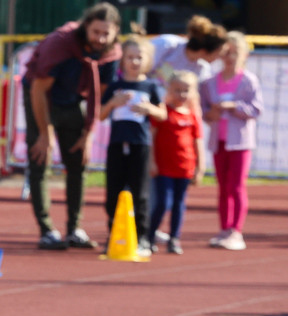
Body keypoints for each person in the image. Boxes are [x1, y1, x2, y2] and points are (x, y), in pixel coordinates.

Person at [22, 2, 122, 250]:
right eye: (96, 31)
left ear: (115, 32)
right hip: (42, 97)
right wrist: (45, 133)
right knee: (40, 158)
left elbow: (97, 96)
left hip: (75, 100)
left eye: (106, 33)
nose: (100, 38)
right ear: (86, 26)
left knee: (79, 161)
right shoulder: (62, 44)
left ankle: (74, 228)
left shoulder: (112, 54)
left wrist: (88, 134)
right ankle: (46, 230)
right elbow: (38, 88)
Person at [99, 36, 165, 255]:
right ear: (122, 60)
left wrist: (149, 109)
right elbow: (100, 115)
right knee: (114, 191)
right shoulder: (116, 87)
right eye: (130, 57)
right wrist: (112, 103)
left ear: (147, 60)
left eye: (139, 57)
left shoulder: (150, 86)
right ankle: (114, 234)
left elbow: (162, 113)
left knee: (140, 192)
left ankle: (143, 237)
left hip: (140, 144)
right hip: (117, 144)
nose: (134, 62)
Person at [199, 31, 263, 251]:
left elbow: (256, 108)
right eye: (226, 53)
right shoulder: (209, 83)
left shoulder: (248, 80)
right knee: (223, 187)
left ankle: (236, 230)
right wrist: (210, 114)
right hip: (219, 141)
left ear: (244, 55)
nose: (230, 58)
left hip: (241, 142)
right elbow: (203, 108)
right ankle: (224, 228)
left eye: (235, 53)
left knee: (236, 186)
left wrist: (234, 107)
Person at [147, 71, 204, 255]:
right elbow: (152, 138)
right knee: (163, 203)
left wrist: (200, 167)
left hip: (185, 167)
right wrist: (152, 162)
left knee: (179, 204)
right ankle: (149, 236)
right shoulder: (163, 112)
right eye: (177, 90)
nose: (181, 95)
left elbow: (198, 142)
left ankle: (174, 238)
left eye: (186, 90)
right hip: (164, 167)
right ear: (169, 90)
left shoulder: (192, 116)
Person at [150, 15, 227, 93]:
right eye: (219, 52)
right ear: (204, 51)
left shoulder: (202, 69)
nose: (220, 57)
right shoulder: (167, 44)